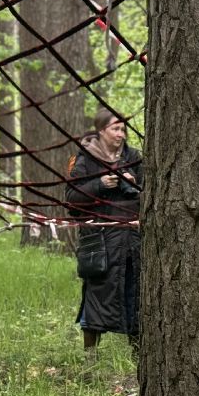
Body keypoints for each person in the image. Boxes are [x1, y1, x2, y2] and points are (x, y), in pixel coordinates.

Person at [65, 108, 143, 359]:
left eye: (123, 129)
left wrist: (134, 184)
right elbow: (71, 200)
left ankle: (138, 357)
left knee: (135, 297)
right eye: (115, 128)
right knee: (97, 297)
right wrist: (100, 185)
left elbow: (150, 195)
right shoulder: (84, 160)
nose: (121, 134)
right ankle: (90, 358)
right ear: (101, 131)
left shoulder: (134, 157)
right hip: (98, 243)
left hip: (132, 242)